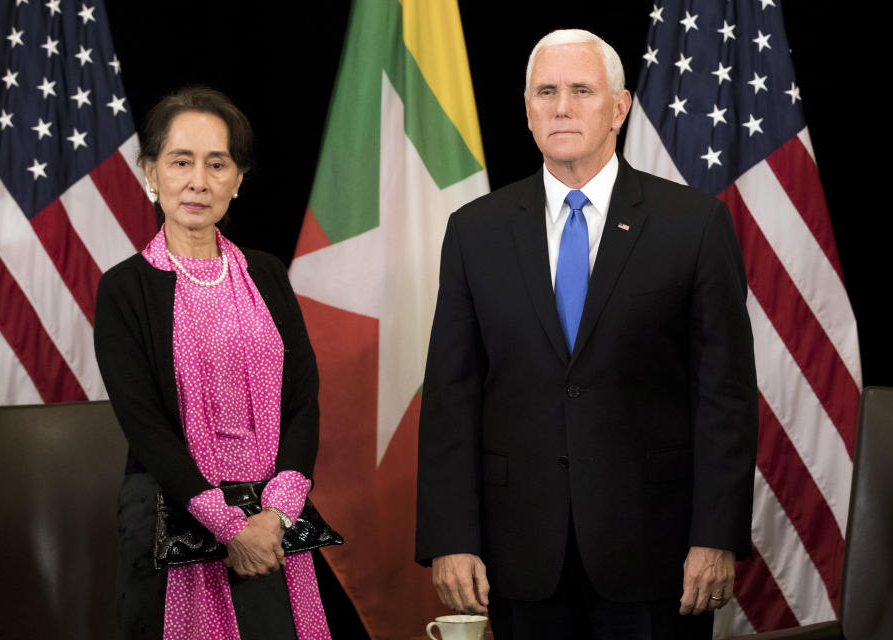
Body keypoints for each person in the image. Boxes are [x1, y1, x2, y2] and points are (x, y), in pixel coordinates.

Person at [415, 29, 758, 639]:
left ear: (619, 108)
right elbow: (451, 394)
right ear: (526, 110)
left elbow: (724, 398)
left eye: (581, 90)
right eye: (546, 92)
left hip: (657, 553)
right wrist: (451, 538)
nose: (562, 107)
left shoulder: (695, 225)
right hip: (519, 556)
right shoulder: (475, 231)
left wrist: (715, 536)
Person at [94, 86, 330, 640]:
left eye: (217, 163)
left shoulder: (268, 274)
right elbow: (144, 424)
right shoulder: (124, 289)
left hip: (272, 522)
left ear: (238, 180)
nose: (198, 180)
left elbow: (303, 401)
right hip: (169, 515)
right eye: (180, 161)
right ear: (151, 174)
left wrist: (275, 516)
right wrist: (227, 525)